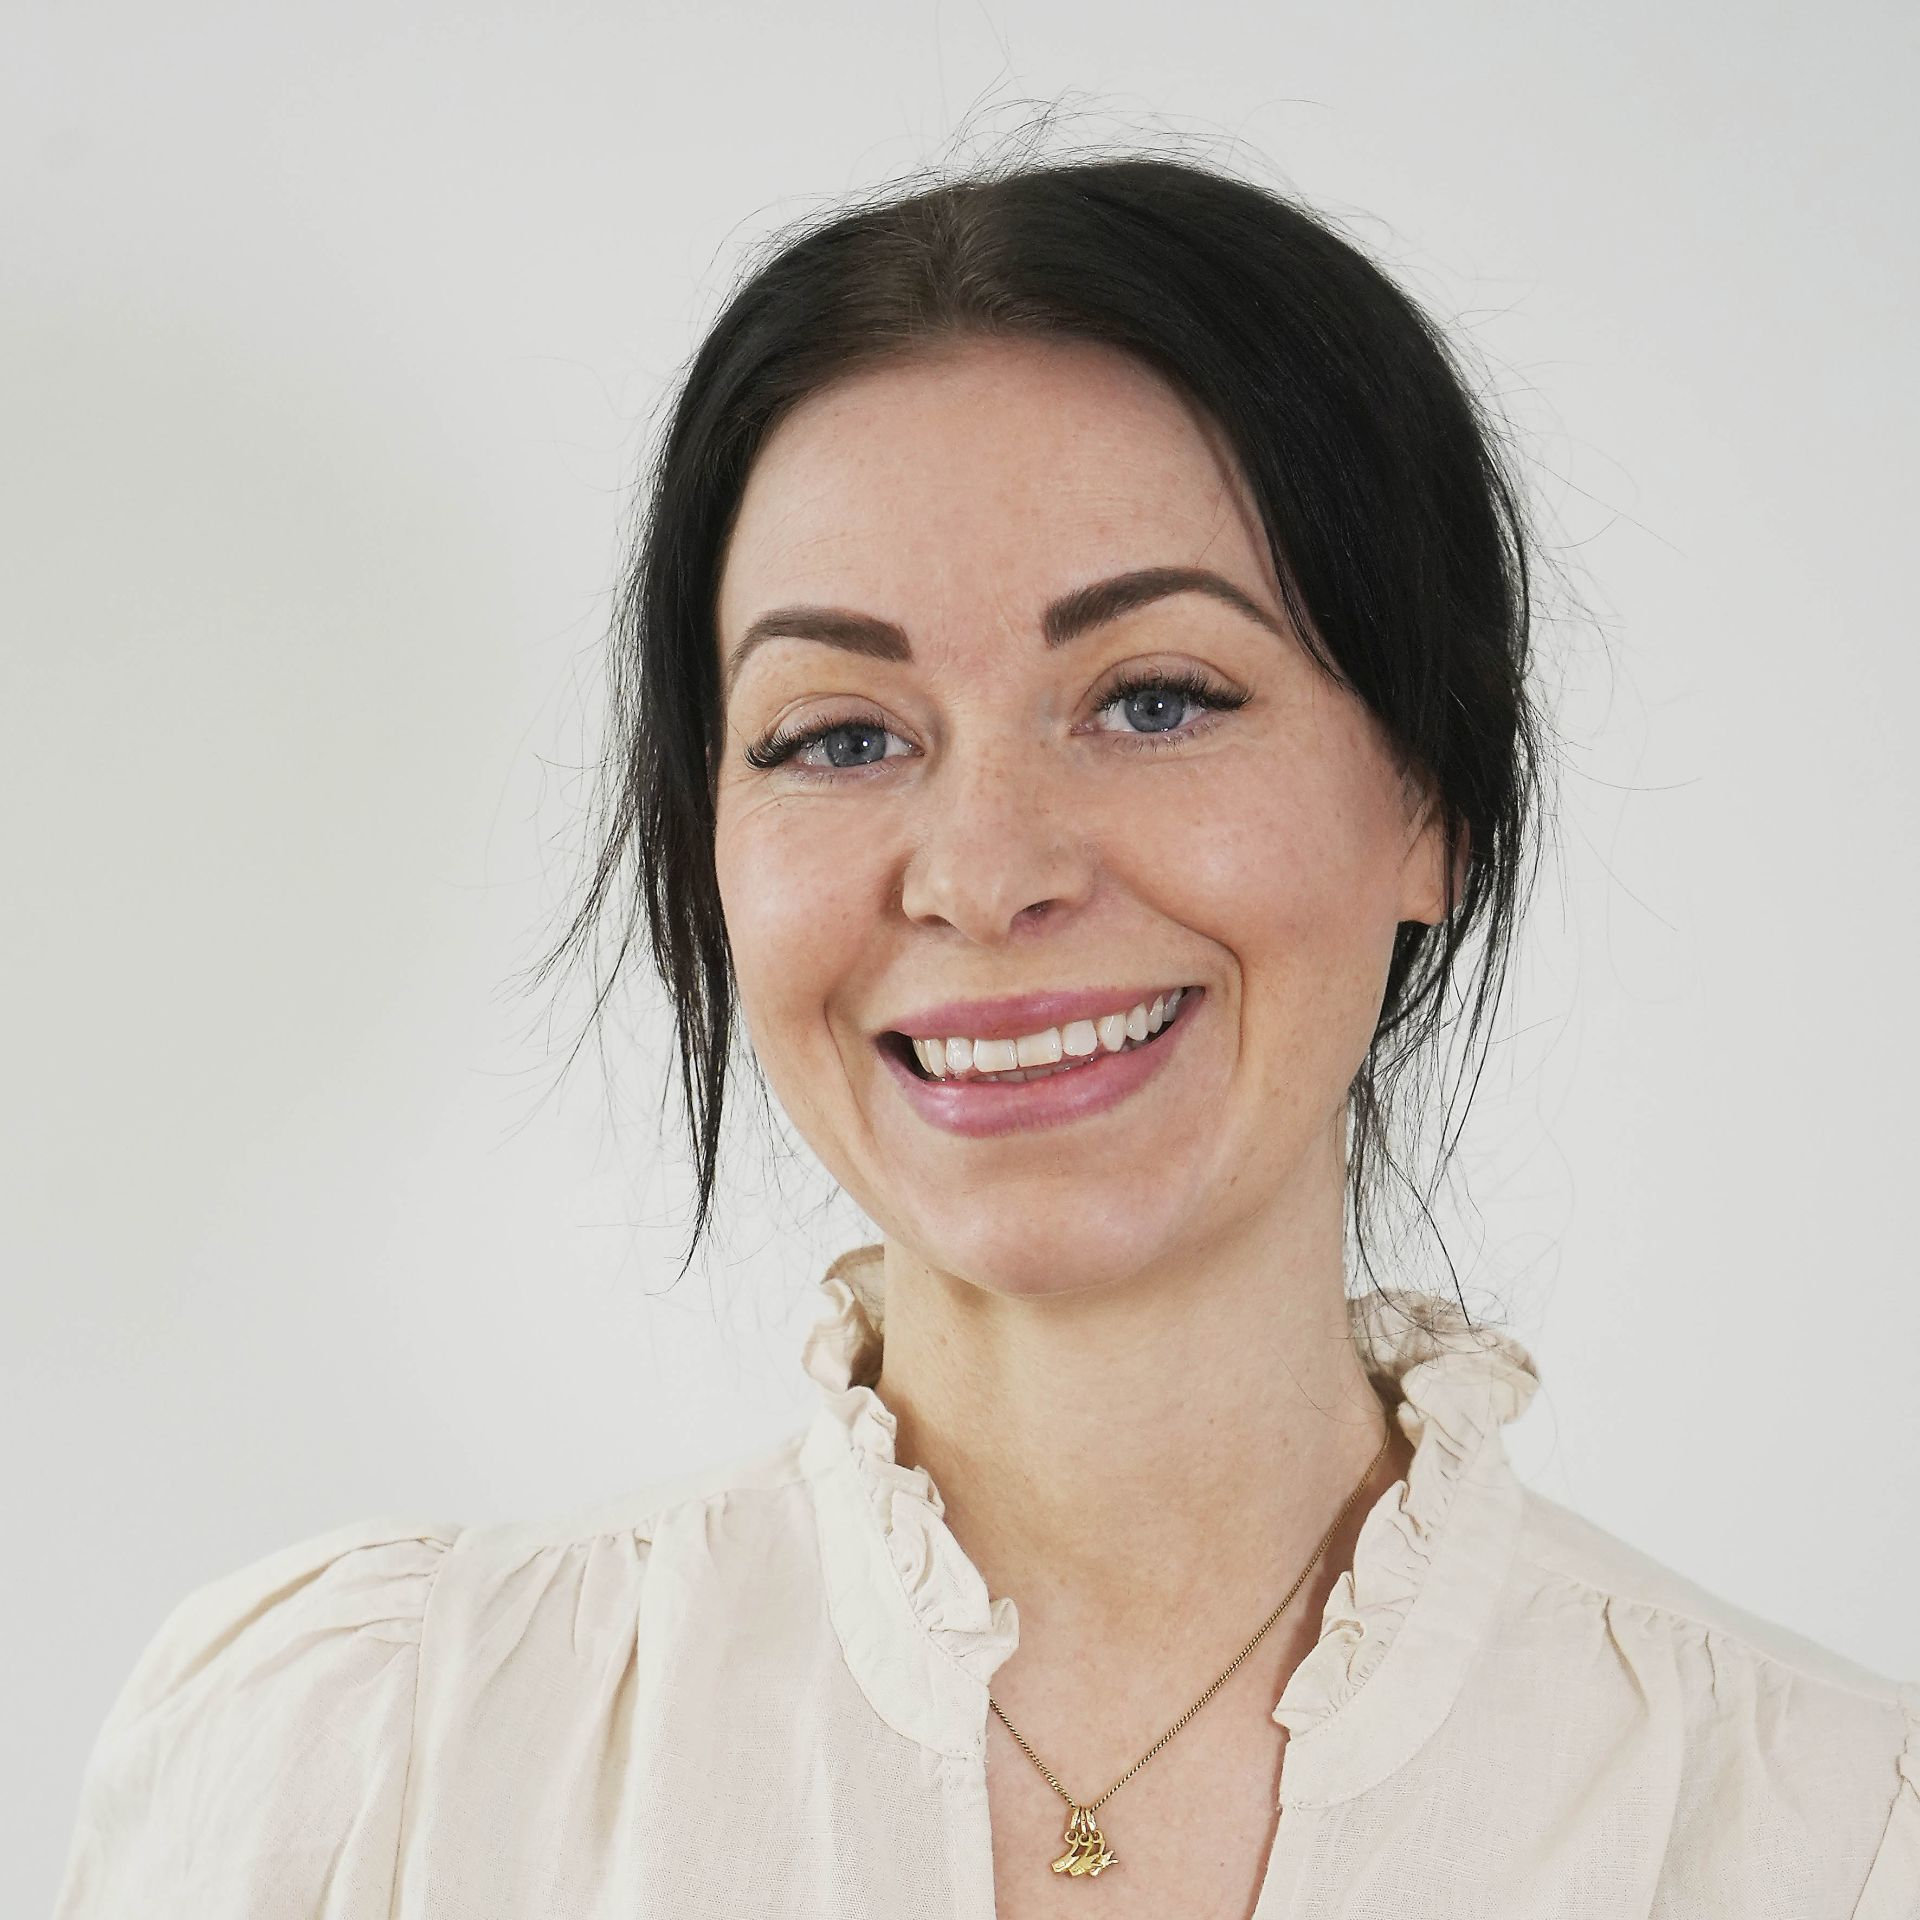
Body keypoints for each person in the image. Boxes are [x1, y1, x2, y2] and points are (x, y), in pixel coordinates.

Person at [53, 153, 1918, 1919]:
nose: (984, 871)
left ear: (1428, 795)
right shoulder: (372, 1776)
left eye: (1156, 699)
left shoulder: (1827, 1838)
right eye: (838, 735)